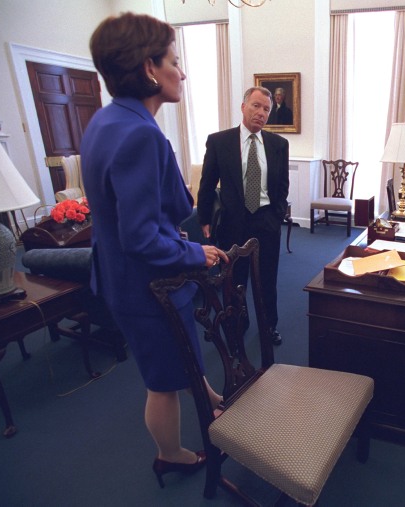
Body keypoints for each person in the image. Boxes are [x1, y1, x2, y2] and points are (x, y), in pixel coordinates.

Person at [81, 12, 229, 487]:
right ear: (149, 68)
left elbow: (134, 219)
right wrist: (194, 254)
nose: (182, 73)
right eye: (174, 61)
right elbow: (140, 237)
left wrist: (175, 236)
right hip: (148, 287)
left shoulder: (106, 121)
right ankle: (171, 455)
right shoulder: (140, 133)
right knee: (163, 384)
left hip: (126, 278)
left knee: (177, 354)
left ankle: (210, 401)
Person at [197, 86, 290, 345]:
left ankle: (269, 326)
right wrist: (204, 218)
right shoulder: (219, 141)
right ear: (243, 106)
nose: (261, 113)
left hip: (266, 221)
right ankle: (237, 323)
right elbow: (207, 183)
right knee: (234, 279)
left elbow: (283, 185)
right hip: (233, 222)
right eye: (256, 106)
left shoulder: (278, 144)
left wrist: (277, 214)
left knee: (267, 279)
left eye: (266, 109)